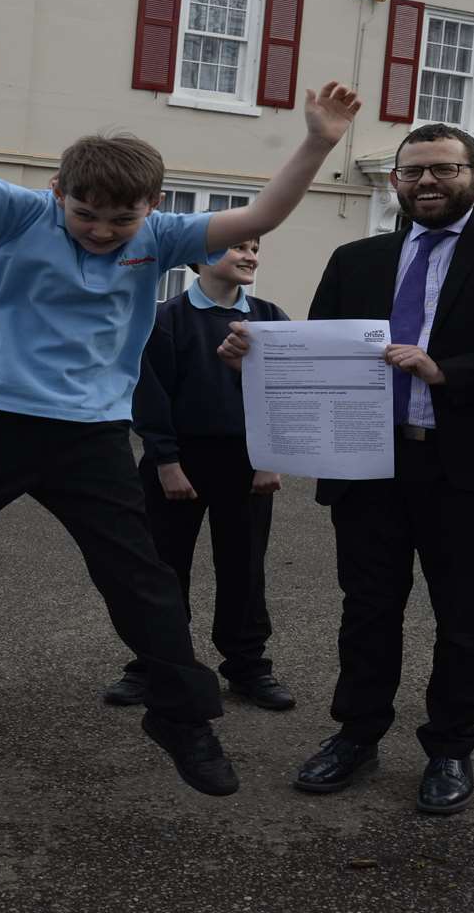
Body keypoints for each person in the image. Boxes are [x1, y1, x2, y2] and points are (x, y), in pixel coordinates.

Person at [0, 35, 360, 797]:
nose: (99, 231)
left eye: (118, 220)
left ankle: (181, 717)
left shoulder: (160, 237)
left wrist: (317, 142)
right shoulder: (22, 214)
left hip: (87, 434)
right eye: (86, 214)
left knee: (142, 582)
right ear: (60, 191)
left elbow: (265, 212)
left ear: (151, 208)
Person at [223, 123, 474, 814]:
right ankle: (355, 736)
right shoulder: (355, 257)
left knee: (464, 617)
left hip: (472, 468)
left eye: (443, 170)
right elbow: (318, 350)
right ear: (394, 181)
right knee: (367, 611)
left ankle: (450, 746)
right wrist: (257, 357)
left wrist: (449, 370)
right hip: (369, 464)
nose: (426, 182)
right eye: (413, 171)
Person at [102, 238, 294, 712]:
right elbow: (150, 394)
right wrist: (166, 461)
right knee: (163, 569)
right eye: (237, 248)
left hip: (248, 464)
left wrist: (271, 457)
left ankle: (248, 667)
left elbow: (287, 391)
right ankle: (155, 665)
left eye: (255, 248)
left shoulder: (270, 317)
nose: (250, 256)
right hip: (178, 462)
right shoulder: (166, 317)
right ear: (203, 257)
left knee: (244, 567)